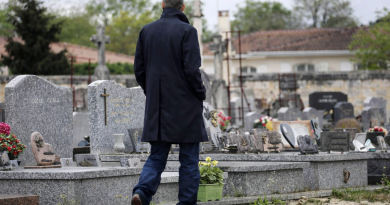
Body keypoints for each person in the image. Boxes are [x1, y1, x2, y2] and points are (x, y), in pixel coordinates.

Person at [131, 0, 208, 204]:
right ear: (182, 8)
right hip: (186, 106)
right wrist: (201, 93)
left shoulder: (146, 31)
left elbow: (139, 70)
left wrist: (153, 92)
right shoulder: (188, 31)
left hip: (158, 106)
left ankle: (142, 193)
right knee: (189, 160)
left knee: (156, 156)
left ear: (162, 5)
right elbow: (192, 70)